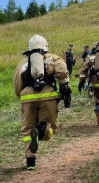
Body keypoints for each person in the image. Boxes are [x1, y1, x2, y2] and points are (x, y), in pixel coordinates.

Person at [12, 35, 71, 171]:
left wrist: (24, 96)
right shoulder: (52, 58)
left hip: (27, 98)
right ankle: (42, 131)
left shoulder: (22, 63)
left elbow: (17, 85)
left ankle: (30, 159)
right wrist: (64, 88)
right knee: (52, 127)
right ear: (45, 46)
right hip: (48, 96)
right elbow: (62, 71)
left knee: (27, 129)